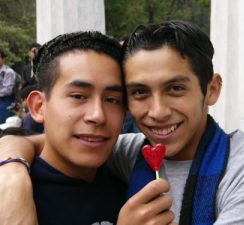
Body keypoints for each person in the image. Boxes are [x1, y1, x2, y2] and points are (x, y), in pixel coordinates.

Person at [0, 20, 244, 225]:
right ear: (39, 106)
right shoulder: (127, 154)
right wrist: (12, 173)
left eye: (175, 88)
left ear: (212, 89)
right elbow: (40, 142)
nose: (157, 112)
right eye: (140, 92)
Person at [0, 31, 175, 225]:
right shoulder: (11, 199)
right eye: (78, 96)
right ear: (39, 106)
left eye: (112, 100)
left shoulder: (130, 182)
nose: (97, 116)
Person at [0, 50, 17, 123]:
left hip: (5, 101)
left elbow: (7, 90)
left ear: (3, 59)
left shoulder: (8, 72)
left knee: (2, 124)